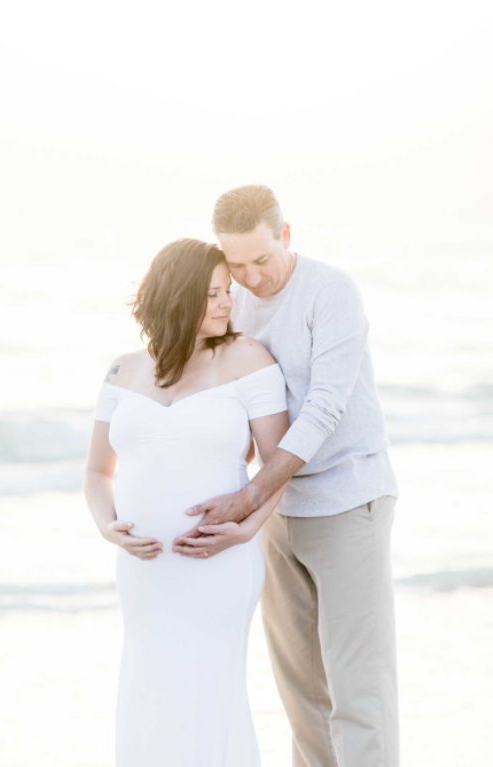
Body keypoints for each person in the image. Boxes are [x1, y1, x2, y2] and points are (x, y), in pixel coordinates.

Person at [176, 185, 399, 766]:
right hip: (279, 513)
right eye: (237, 265)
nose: (251, 277)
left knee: (359, 692)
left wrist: (250, 494)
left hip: (348, 502)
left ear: (287, 236)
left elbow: (324, 408)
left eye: (262, 259)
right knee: (302, 697)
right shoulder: (234, 302)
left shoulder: (331, 292)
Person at [85, 239, 290, 766]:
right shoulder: (121, 370)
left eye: (227, 292)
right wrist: (108, 528)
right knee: (149, 687)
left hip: (218, 563)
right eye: (214, 294)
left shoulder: (248, 359)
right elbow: (96, 471)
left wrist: (248, 528)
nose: (229, 303)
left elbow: (280, 466)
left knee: (208, 690)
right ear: (177, 298)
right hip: (144, 570)